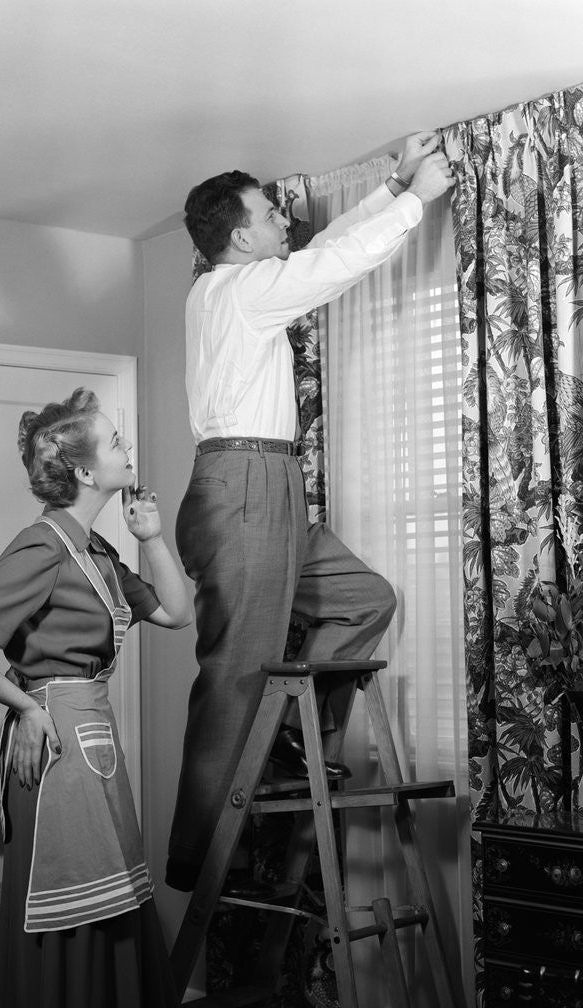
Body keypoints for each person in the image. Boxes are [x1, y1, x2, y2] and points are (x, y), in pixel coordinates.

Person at [166, 132, 455, 892]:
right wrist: (419, 204)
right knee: (234, 673)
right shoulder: (236, 291)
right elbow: (329, 266)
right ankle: (198, 859)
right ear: (238, 235)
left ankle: (287, 741)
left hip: (272, 481)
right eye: (268, 215)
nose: (281, 222)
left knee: (366, 599)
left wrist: (393, 189)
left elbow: (316, 250)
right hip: (245, 483)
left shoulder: (244, 286)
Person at [0, 387, 191, 1008]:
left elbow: (179, 615)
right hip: (59, 743)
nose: (128, 448)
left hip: (91, 736)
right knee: (68, 903)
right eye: (116, 442)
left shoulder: (96, 552)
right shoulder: (44, 545)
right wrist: (28, 707)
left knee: (107, 899)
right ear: (84, 470)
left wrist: (151, 537)